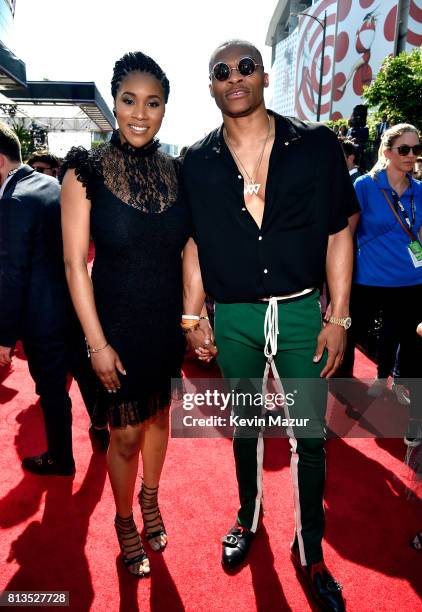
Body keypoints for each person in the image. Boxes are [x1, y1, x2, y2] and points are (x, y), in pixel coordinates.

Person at [182, 40, 357, 611]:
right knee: (246, 428)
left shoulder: (315, 146)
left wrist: (338, 315)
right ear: (211, 86)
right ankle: (246, 517)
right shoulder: (195, 162)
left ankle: (311, 548)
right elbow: (193, 244)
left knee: (309, 436)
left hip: (305, 310)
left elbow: (338, 231)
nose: (235, 78)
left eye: (245, 68)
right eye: (221, 72)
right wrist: (193, 313)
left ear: (264, 76)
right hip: (233, 315)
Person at [60, 51, 191, 577]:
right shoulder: (84, 169)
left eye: (153, 103)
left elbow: (190, 251)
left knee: (160, 417)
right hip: (112, 327)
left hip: (163, 325)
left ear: (164, 109)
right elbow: (74, 264)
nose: (140, 113)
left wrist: (192, 316)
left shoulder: (176, 172)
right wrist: (97, 344)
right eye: (129, 100)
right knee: (125, 435)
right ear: (114, 103)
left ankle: (151, 497)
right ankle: (123, 521)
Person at [0, 122, 102, 475]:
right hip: (71, 304)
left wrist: (4, 338)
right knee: (84, 373)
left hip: (40, 316)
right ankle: (101, 429)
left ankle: (61, 458)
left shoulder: (12, 201)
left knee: (52, 390)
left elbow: (12, 275)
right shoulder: (49, 185)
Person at [344, 124, 422, 442]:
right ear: (387, 152)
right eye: (404, 149)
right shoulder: (364, 186)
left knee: (412, 347)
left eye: (416, 149)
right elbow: (346, 235)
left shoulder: (419, 191)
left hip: (410, 282)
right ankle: (343, 395)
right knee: (348, 338)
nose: (412, 155)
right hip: (367, 280)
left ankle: (413, 418)